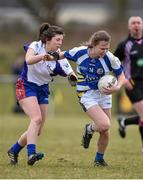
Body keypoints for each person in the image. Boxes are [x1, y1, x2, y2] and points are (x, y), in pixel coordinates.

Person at [46, 30, 126, 167]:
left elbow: (122, 76)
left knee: (105, 130)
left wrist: (117, 87)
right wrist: (50, 57)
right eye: (102, 48)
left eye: (107, 48)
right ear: (93, 45)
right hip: (86, 94)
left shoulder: (110, 58)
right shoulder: (80, 52)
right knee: (104, 124)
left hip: (105, 94)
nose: (105, 51)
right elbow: (62, 54)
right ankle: (89, 128)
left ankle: (99, 160)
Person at [7, 23, 77, 166]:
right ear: (48, 39)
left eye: (61, 40)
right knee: (36, 119)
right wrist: (43, 57)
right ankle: (31, 153)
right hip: (26, 86)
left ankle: (14, 150)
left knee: (37, 129)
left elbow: (71, 74)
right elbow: (28, 60)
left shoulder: (60, 57)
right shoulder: (36, 46)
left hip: (43, 89)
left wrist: (73, 79)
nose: (60, 43)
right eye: (58, 40)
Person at [114, 16, 143, 155]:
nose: (136, 25)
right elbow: (113, 63)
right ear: (129, 27)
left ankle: (124, 122)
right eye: (133, 23)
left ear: (142, 26)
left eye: (138, 23)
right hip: (132, 84)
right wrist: (123, 80)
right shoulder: (124, 45)